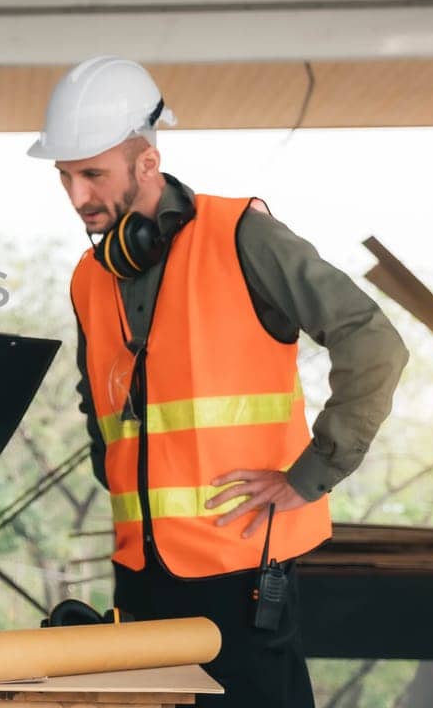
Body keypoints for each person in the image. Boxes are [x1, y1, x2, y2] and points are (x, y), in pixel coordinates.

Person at [30, 55, 408, 706]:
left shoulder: (242, 237)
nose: (78, 197)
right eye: (65, 176)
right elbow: (103, 412)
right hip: (140, 576)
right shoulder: (89, 278)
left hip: (241, 577)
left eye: (93, 174)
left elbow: (373, 341)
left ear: (147, 163)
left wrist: (309, 474)